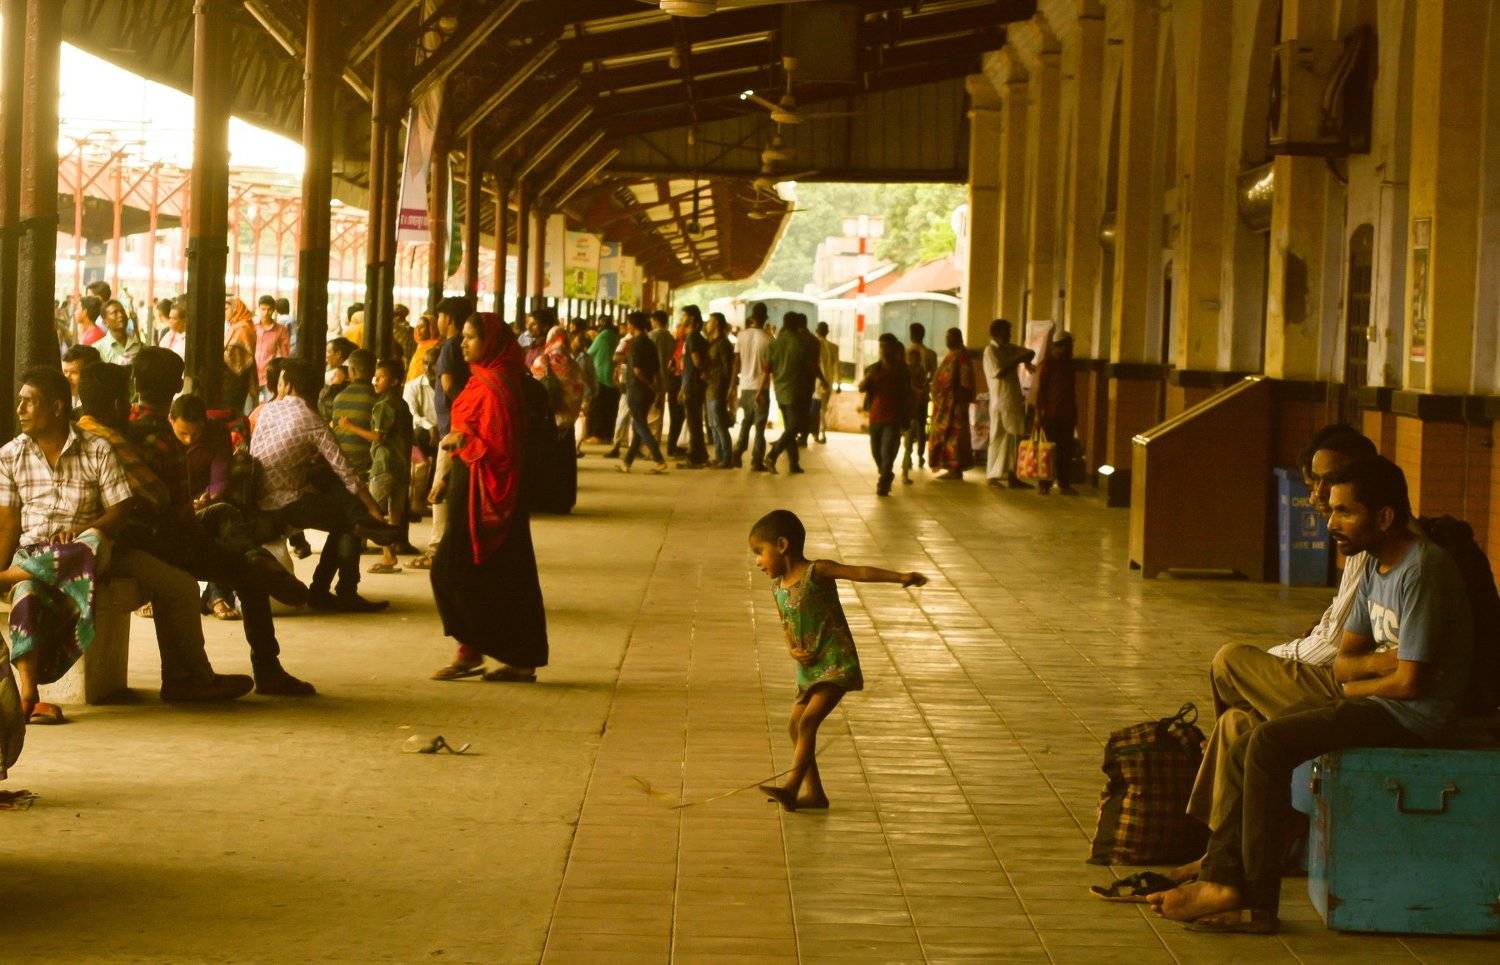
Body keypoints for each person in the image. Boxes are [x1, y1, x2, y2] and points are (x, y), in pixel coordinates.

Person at [1151, 455, 1473, 934]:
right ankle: (1221, 878)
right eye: (1331, 511)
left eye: (1345, 512)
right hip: (1378, 702)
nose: (1331, 524)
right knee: (1247, 741)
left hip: (1413, 717)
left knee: (1269, 745)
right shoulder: (1374, 565)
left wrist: (1360, 684)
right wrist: (1377, 666)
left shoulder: (1422, 569)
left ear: (1384, 516)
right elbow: (1343, 663)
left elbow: (1411, 684)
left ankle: (1256, 902)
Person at [1, 366, 253, 722]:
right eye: (20, 401)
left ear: (57, 407)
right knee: (26, 590)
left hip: (94, 548)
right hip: (34, 552)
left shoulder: (97, 448)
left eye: (29, 402)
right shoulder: (10, 455)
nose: (20, 409)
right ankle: (29, 697)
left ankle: (189, 680)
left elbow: (120, 509)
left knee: (176, 585)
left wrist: (83, 530)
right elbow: (8, 523)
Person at [1183, 427, 1379, 838]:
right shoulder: (1356, 542)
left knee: (1229, 661)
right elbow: (1334, 625)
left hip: (1350, 691)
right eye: (1315, 482)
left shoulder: (1385, 551)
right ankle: (1221, 853)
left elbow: (1336, 648)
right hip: (1339, 676)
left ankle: (1230, 854)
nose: (1319, 494)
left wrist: (1277, 658)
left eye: (1330, 480)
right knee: (1236, 723)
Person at [90, 359, 315, 696]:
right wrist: (206, 545)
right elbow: (175, 511)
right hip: (163, 538)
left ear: (136, 388)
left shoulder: (122, 428)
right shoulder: (159, 438)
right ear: (176, 386)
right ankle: (267, 666)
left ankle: (256, 559)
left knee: (222, 513)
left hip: (150, 531)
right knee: (247, 574)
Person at [748, 509, 927, 811]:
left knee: (808, 722)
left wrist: (899, 577)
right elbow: (787, 626)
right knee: (795, 726)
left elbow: (858, 573)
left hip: (835, 662)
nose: (757, 561)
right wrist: (792, 649)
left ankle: (791, 787)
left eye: (759, 552)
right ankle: (814, 794)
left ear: (782, 545)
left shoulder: (816, 572)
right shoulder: (777, 587)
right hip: (808, 670)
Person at [430, 314, 549, 682]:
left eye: (471, 338)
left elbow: (501, 447)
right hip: (471, 485)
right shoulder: (481, 378)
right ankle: (477, 653)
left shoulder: (499, 386)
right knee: (489, 574)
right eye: (463, 337)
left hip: (494, 492)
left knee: (460, 571)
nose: (462, 344)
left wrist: (462, 442)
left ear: (491, 342)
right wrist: (446, 476)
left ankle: (494, 655)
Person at [251, 359, 390, 612]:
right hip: (286, 503)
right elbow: (345, 471)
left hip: (258, 498)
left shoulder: (267, 411)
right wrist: (372, 507)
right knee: (351, 521)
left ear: (288, 385)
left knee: (338, 502)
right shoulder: (313, 421)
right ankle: (336, 591)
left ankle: (326, 591)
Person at [339, 358, 413, 575]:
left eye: (380, 378)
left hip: (384, 465)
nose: (375, 381)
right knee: (395, 513)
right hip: (401, 466)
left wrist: (349, 426)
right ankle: (392, 551)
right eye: (375, 377)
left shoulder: (383, 405)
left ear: (394, 381)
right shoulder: (402, 404)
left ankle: (388, 556)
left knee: (373, 511)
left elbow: (378, 437)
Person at [417, 297, 474, 570]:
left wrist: (465, 410)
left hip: (452, 428)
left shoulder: (451, 346)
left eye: (439, 317)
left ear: (448, 318)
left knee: (440, 488)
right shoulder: (461, 345)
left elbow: (449, 384)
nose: (436, 322)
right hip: (457, 425)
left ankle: (437, 550)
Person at [766, 313, 827, 474]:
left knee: (790, 427)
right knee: (796, 426)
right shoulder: (803, 343)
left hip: (780, 390)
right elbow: (811, 365)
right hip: (798, 390)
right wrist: (823, 379)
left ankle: (794, 463)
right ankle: (772, 455)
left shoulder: (775, 343)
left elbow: (768, 366)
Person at [983, 318, 1034, 489]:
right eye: (1007, 331)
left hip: (1012, 398)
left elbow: (1030, 352)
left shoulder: (1008, 348)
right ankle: (992, 476)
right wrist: (1017, 360)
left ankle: (1013, 475)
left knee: (1014, 438)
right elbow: (999, 372)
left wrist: (1024, 360)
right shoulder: (991, 351)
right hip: (1000, 400)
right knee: (997, 437)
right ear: (997, 333)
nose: (1010, 335)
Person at [859, 334, 912, 496]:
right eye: (881, 346)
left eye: (886, 346)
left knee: (887, 450)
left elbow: (908, 395)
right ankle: (886, 473)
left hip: (894, 417)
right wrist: (869, 377)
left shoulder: (902, 370)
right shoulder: (874, 369)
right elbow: (861, 387)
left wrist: (907, 416)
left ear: (894, 348)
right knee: (876, 452)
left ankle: (883, 482)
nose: (882, 349)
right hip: (876, 416)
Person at [616, 312, 667, 474]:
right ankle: (627, 462)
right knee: (638, 426)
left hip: (637, 390)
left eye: (628, 324)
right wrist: (657, 389)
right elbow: (657, 370)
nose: (627, 327)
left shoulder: (636, 344)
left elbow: (637, 371)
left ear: (633, 325)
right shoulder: (651, 343)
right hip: (648, 393)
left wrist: (649, 384)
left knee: (641, 426)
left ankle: (659, 459)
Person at [1033, 331, 1079, 495]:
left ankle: (1064, 484)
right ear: (1059, 346)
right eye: (1068, 345)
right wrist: (1038, 414)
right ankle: (1044, 483)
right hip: (1050, 415)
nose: (1070, 349)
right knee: (1048, 450)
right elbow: (1039, 391)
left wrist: (1075, 413)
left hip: (1067, 414)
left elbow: (1071, 392)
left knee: (1065, 450)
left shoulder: (1069, 365)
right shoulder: (1047, 365)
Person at [927, 328, 975, 480]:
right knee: (946, 435)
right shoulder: (952, 354)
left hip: (955, 404)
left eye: (950, 337)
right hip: (945, 404)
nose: (947, 340)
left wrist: (961, 398)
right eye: (946, 337)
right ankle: (951, 467)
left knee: (955, 436)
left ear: (958, 338)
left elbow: (965, 380)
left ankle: (955, 469)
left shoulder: (961, 355)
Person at [732, 303, 772, 470]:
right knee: (760, 427)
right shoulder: (769, 339)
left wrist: (732, 386)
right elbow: (768, 368)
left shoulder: (741, 336)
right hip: (761, 388)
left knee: (746, 421)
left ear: (752, 318)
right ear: (765, 318)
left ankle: (738, 451)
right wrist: (761, 391)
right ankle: (756, 461)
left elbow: (736, 363)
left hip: (745, 386)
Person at [332, 349, 378, 481]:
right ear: (374, 371)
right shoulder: (377, 399)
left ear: (351, 371)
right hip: (366, 467)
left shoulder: (339, 398)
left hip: (340, 464)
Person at [901, 323, 938, 484]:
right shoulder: (930, 353)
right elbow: (934, 375)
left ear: (911, 334)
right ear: (923, 334)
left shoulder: (905, 353)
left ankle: (908, 456)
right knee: (921, 427)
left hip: (909, 397)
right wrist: (924, 386)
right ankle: (921, 456)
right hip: (922, 396)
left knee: (908, 428)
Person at [677, 306, 710, 469]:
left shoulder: (693, 338)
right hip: (692, 384)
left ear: (691, 319)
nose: (681, 319)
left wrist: (703, 372)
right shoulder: (696, 337)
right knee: (695, 421)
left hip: (693, 385)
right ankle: (701, 455)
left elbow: (696, 362)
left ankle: (695, 457)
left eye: (683, 316)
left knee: (694, 422)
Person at [704, 312, 736, 468]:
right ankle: (718, 456)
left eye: (710, 322)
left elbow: (727, 369)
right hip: (710, 388)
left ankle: (727, 458)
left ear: (716, 324)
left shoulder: (723, 344)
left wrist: (729, 388)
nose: (707, 324)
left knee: (720, 424)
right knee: (712, 424)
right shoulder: (713, 342)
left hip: (718, 388)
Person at [585, 316, 620, 442]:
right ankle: (608, 435)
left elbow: (589, 353)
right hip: (613, 378)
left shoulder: (603, 336)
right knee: (610, 409)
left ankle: (596, 435)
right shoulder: (616, 336)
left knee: (597, 408)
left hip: (601, 377)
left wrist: (592, 339)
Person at [808, 320, 841, 446]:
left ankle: (817, 433)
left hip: (816, 382)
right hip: (829, 382)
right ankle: (821, 433)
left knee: (816, 409)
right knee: (823, 409)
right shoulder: (834, 347)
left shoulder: (814, 345)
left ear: (817, 331)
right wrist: (838, 384)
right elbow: (837, 366)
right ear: (827, 332)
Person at [253, 295, 291, 401]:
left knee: (271, 405)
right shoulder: (252, 326)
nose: (266, 313)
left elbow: (285, 354)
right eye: (263, 309)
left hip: (270, 375)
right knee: (249, 408)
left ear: (274, 310)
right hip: (251, 375)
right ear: (258, 308)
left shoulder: (281, 330)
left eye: (269, 309)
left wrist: (282, 374)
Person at [97, 298, 144, 366]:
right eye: (114, 313)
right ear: (105, 322)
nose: (121, 315)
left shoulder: (139, 346)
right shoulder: (98, 349)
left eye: (122, 311)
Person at [61, 344, 101, 412]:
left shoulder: (98, 403)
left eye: (74, 372)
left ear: (91, 374)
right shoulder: (61, 398)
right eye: (65, 372)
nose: (66, 377)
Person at [407, 310, 439, 384]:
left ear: (431, 328)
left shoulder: (436, 347)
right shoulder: (419, 346)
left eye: (422, 327)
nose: (418, 330)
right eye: (417, 327)